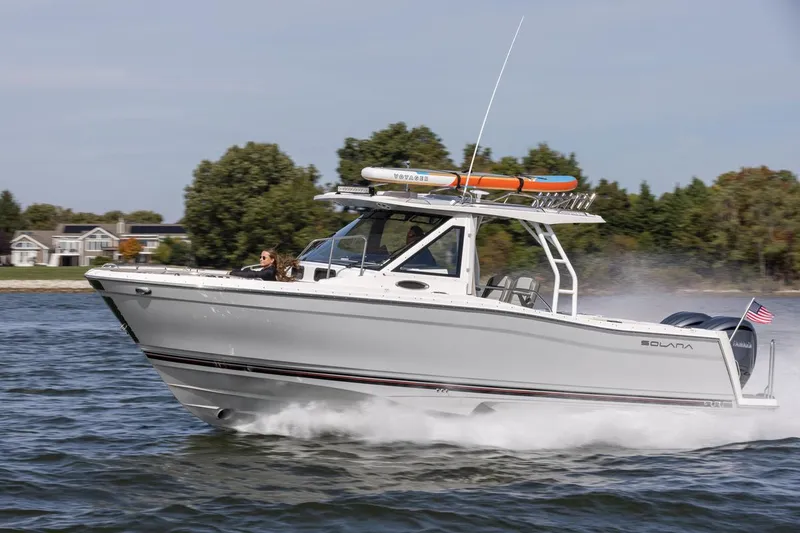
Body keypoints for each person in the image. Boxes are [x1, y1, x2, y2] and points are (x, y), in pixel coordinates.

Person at [229, 249, 298, 282]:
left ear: (272, 260)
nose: (261, 259)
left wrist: (233, 273)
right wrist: (235, 271)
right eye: (260, 257)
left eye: (264, 258)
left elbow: (254, 274)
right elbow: (250, 271)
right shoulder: (267, 269)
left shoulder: (270, 272)